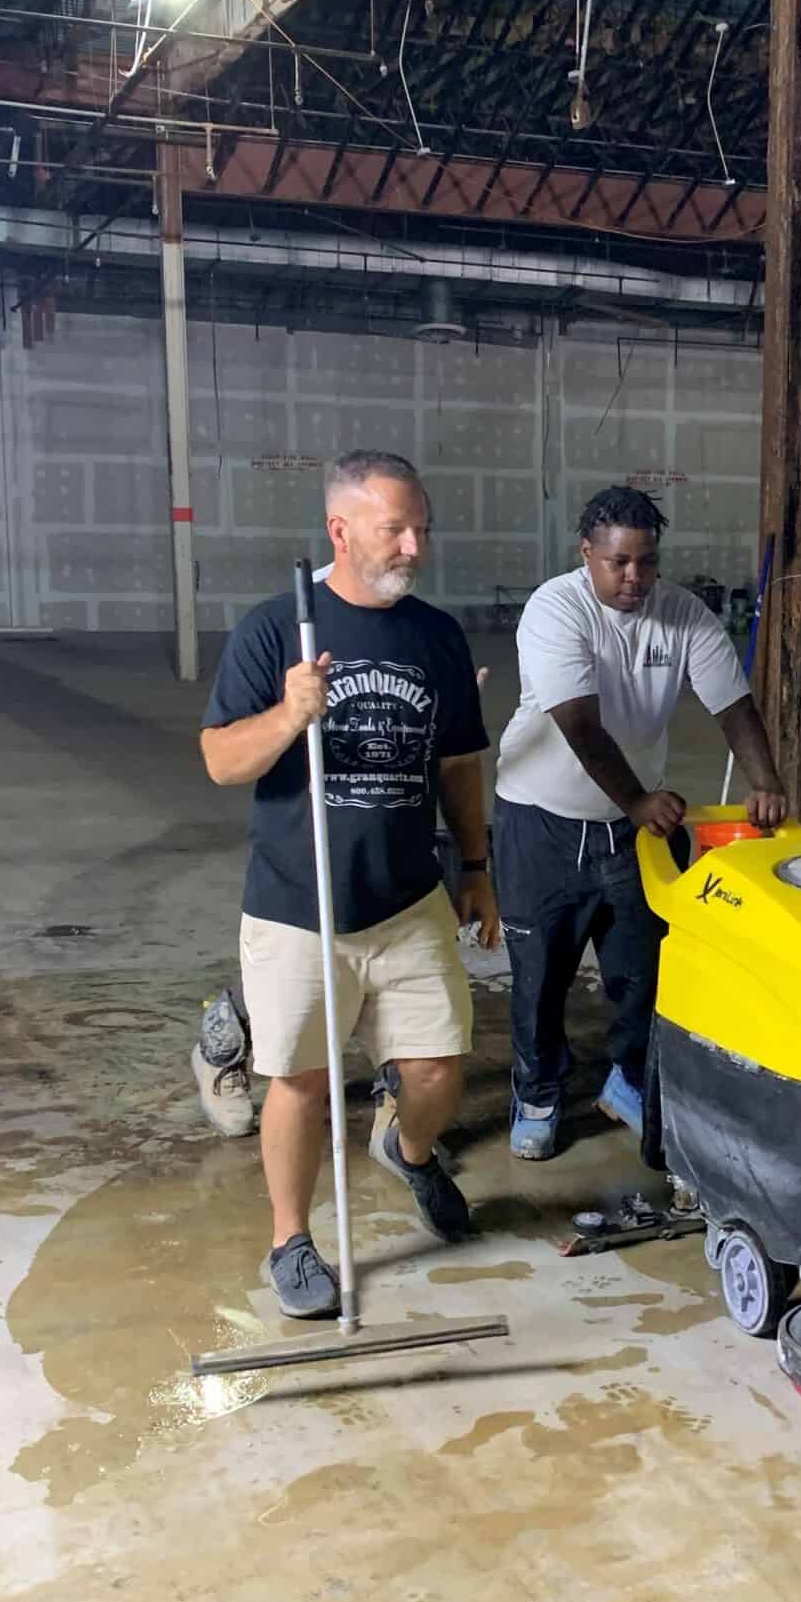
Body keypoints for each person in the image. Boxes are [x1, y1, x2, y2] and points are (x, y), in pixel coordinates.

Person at [199, 452, 498, 1318]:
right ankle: (291, 1241)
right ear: (340, 530)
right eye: (395, 530)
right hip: (301, 905)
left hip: (409, 900)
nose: (415, 546)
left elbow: (457, 763)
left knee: (439, 1069)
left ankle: (406, 1150)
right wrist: (290, 714)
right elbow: (220, 760)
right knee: (299, 1080)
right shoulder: (272, 632)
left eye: (422, 531)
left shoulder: (436, 636)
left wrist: (475, 869)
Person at [495, 486, 788, 1157]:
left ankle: (627, 1076)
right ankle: (537, 1091)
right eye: (619, 563)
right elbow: (579, 724)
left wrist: (764, 780)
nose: (635, 579)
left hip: (630, 831)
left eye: (647, 563)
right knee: (541, 970)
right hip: (542, 820)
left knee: (641, 967)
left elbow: (733, 704)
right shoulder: (554, 610)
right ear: (587, 554)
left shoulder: (681, 612)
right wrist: (636, 799)